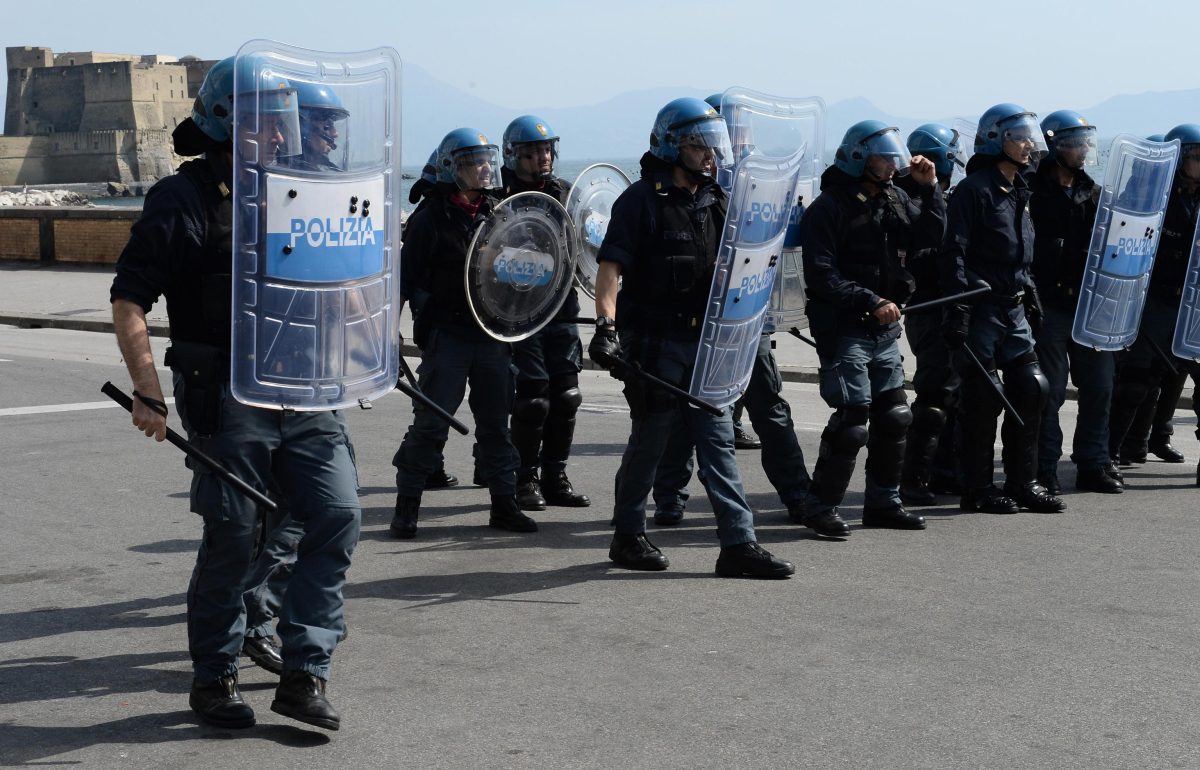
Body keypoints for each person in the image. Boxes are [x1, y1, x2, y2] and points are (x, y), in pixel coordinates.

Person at [110, 56, 358, 730]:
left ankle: (305, 673)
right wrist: (146, 389)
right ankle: (215, 675)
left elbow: (342, 286)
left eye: (284, 122)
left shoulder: (300, 191)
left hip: (305, 388)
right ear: (226, 122)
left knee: (335, 514)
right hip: (226, 390)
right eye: (266, 123)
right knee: (237, 536)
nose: (281, 135)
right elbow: (130, 297)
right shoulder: (183, 199)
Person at [588, 96, 794, 577]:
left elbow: (742, 269)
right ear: (671, 145)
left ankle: (739, 544)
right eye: (702, 146)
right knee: (651, 440)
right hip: (656, 346)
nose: (711, 156)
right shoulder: (640, 201)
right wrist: (606, 328)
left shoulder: (719, 201)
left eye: (714, 146)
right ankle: (628, 535)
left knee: (718, 441)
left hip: (710, 347)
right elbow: (610, 268)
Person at [390, 128, 538, 538]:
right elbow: (401, 283)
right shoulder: (429, 219)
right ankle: (407, 506)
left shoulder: (502, 212)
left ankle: (504, 505)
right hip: (448, 335)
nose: (484, 168)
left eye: (487, 160)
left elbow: (528, 267)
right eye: (474, 161)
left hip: (492, 335)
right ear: (452, 168)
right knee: (431, 422)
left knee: (495, 424)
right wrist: (387, 335)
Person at [799, 120, 945, 536]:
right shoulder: (829, 208)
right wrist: (870, 300)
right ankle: (821, 506)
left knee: (895, 416)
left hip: (885, 329)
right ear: (860, 157)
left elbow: (930, 237)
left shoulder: (894, 198)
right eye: (883, 158)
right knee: (852, 422)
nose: (891, 166)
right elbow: (821, 274)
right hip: (845, 326)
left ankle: (884, 503)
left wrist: (929, 189)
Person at [940, 103, 1065, 514]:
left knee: (1032, 389)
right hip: (980, 309)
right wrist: (958, 310)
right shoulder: (973, 191)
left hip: (1013, 308)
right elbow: (954, 253)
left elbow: (1021, 254)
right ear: (997, 140)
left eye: (1030, 136)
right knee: (983, 398)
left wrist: (1030, 295)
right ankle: (976, 488)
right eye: (1020, 136)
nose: (1030, 144)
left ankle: (1022, 481)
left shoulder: (1019, 191)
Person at [1027, 110, 1123, 495]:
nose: (1083, 151)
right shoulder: (1031, 192)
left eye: (1087, 143)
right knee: (1049, 391)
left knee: (1100, 386)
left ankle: (1093, 464)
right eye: (1075, 144)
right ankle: (1045, 467)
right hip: (1048, 305)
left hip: (1088, 306)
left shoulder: (1093, 194)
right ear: (1054, 147)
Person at [499, 115, 591, 511]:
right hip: (518, 312)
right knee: (533, 399)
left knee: (567, 395)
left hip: (562, 307)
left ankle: (556, 475)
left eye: (546, 150)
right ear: (513, 156)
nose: (543, 157)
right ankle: (525, 478)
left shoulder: (566, 195)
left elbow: (590, 239)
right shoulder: (498, 195)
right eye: (533, 151)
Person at [1107, 124, 1200, 486]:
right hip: (1157, 299)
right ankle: (1110, 453)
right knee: (1136, 382)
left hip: (1193, 303)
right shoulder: (1152, 196)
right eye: (1195, 156)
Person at [897, 123, 965, 506]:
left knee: (954, 392)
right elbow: (933, 241)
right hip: (926, 304)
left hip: (950, 302)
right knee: (935, 392)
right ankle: (915, 478)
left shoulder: (944, 193)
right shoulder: (910, 198)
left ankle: (945, 470)